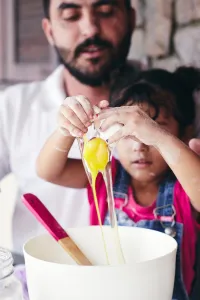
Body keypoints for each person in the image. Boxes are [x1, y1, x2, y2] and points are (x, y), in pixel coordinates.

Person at [36, 67, 200, 299]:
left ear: (184, 134)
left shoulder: (185, 184)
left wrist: (161, 139)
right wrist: (67, 128)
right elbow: (48, 171)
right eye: (127, 130)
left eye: (155, 129)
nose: (139, 145)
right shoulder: (106, 175)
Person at [0, 0, 140, 254]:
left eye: (105, 12)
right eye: (71, 15)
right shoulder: (12, 106)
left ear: (131, 19)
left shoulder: (173, 103)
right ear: (49, 30)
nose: (90, 29)